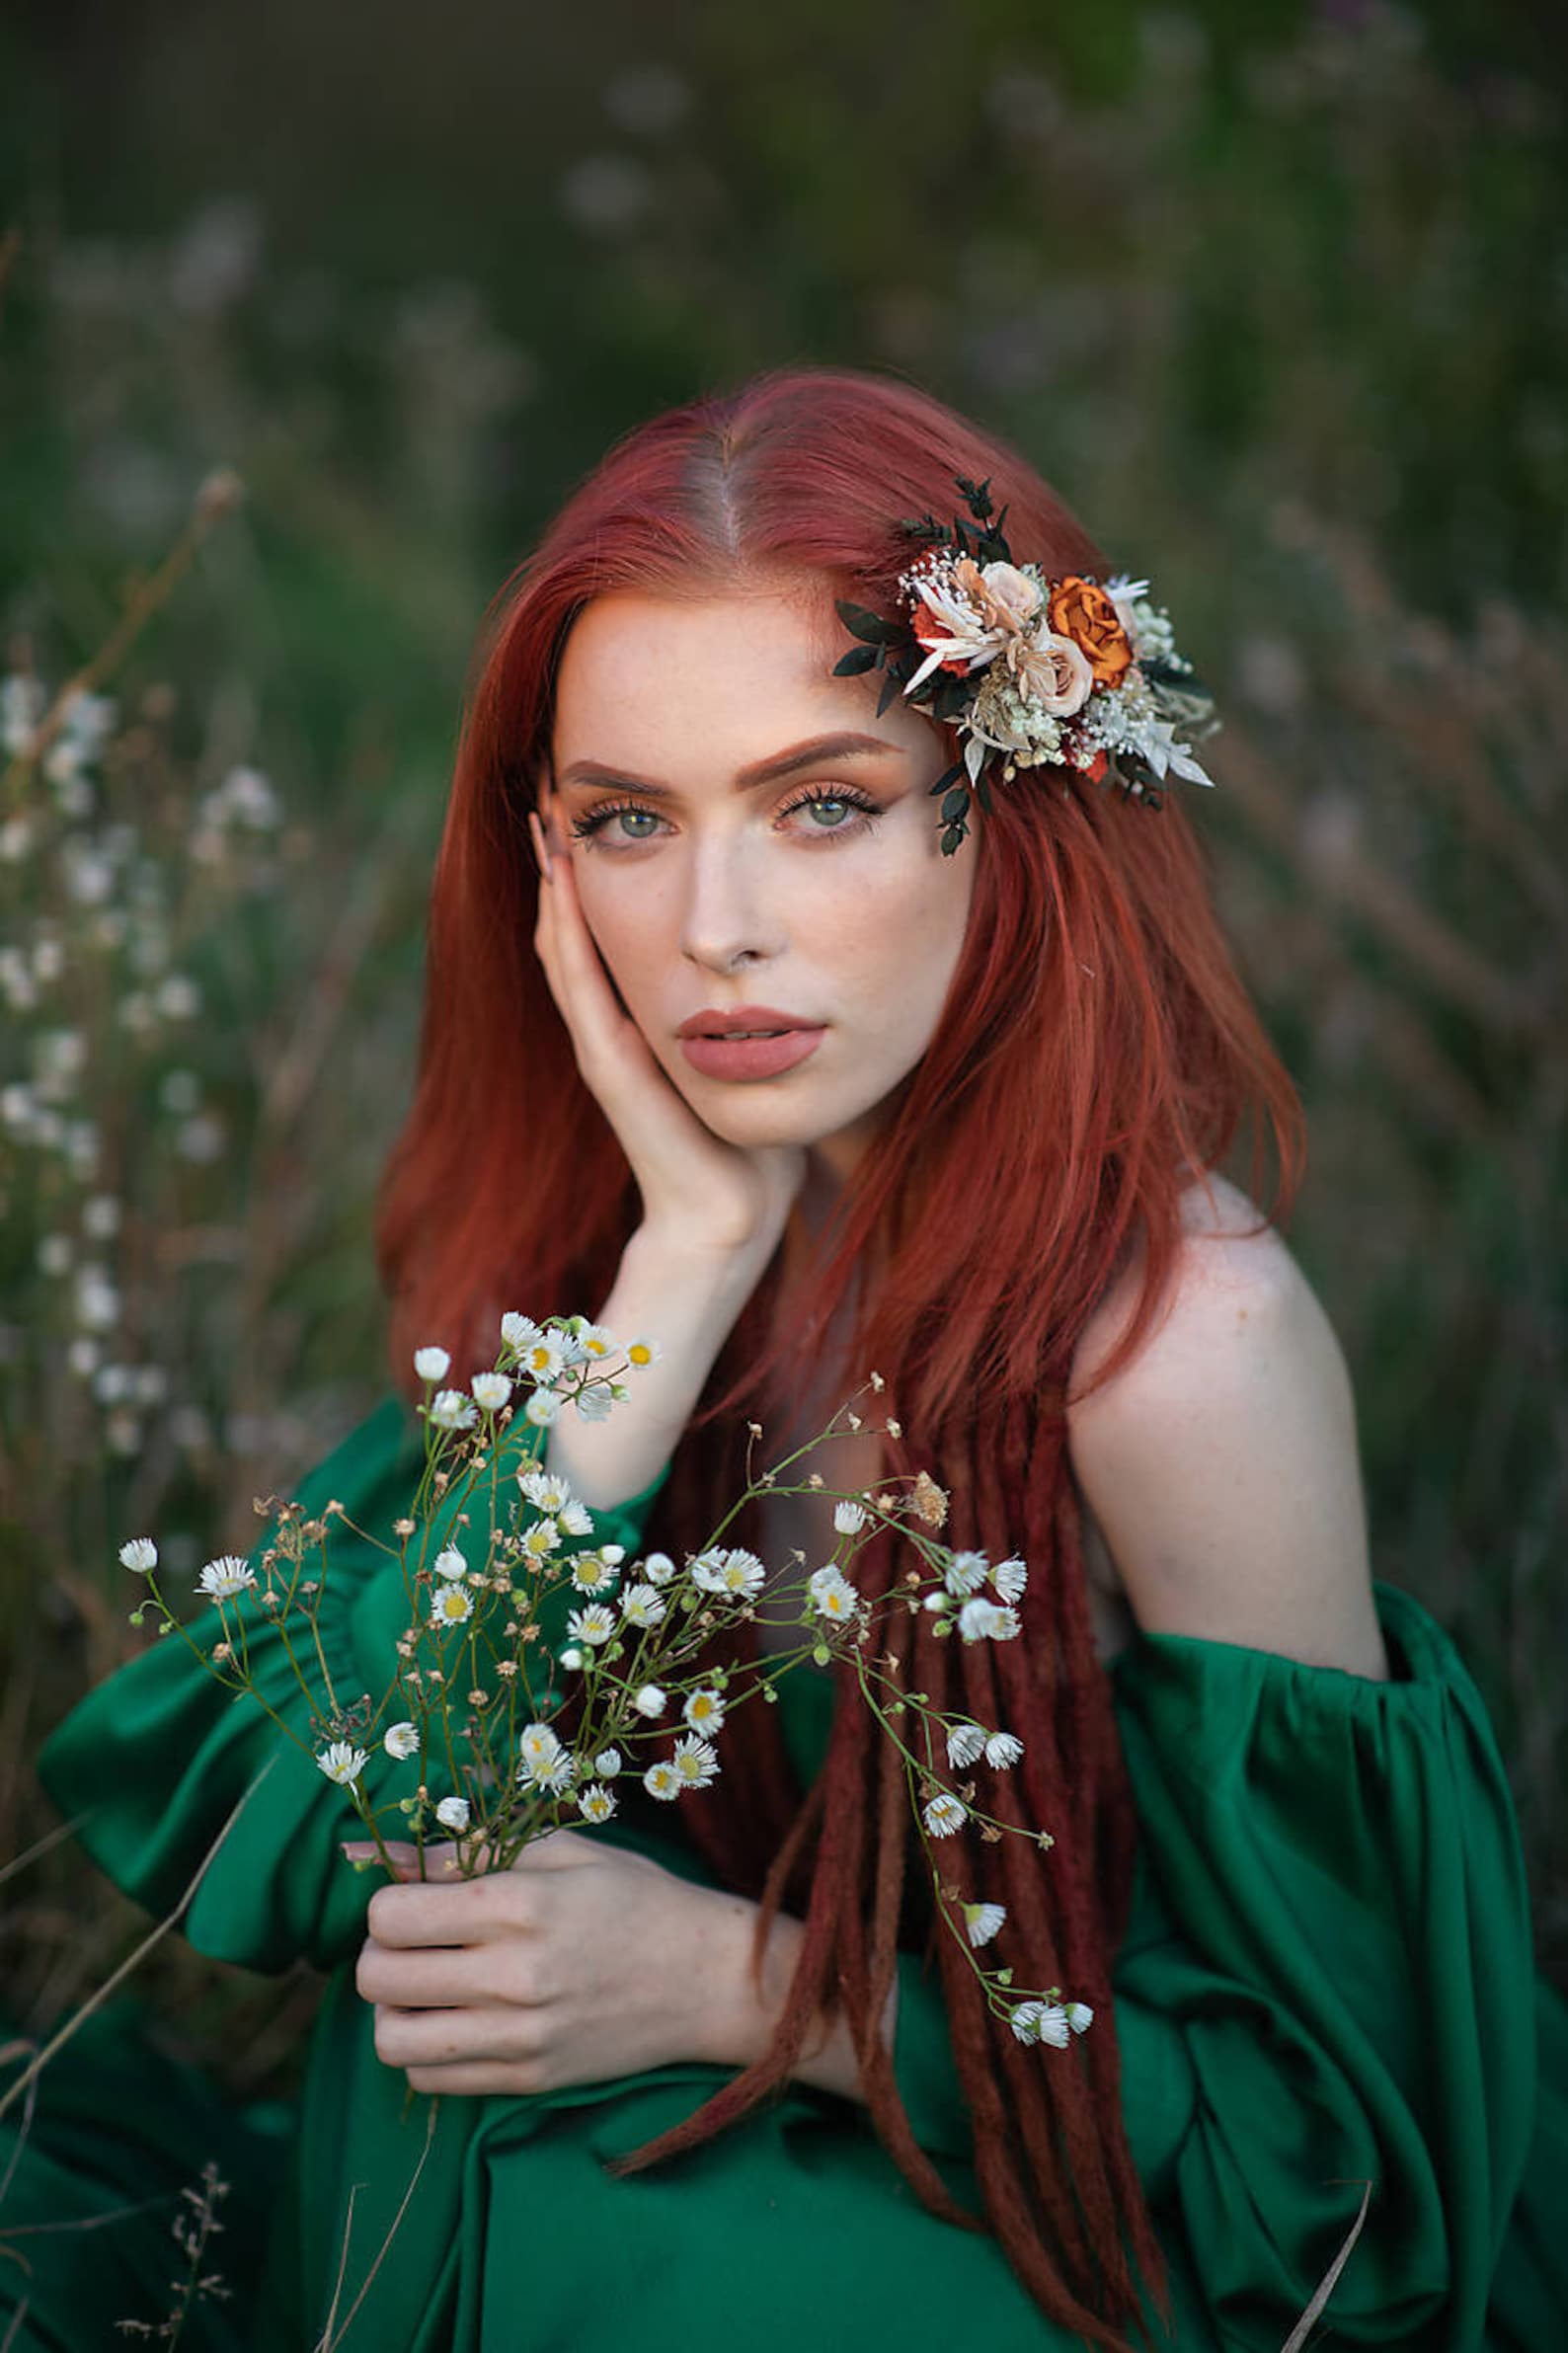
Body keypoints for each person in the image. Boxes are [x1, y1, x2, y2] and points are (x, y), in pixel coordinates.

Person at [8, 366, 1564, 2351]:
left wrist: (745, 1988)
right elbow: (301, 1827)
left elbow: (1332, 2165)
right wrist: (683, 1266)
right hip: (619, 2155)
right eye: (628, 821)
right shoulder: (639, 1234)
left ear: (1007, 818)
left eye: (820, 803)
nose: (714, 927)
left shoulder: (1179, 1347)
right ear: (545, 868)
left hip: (1054, 2227)